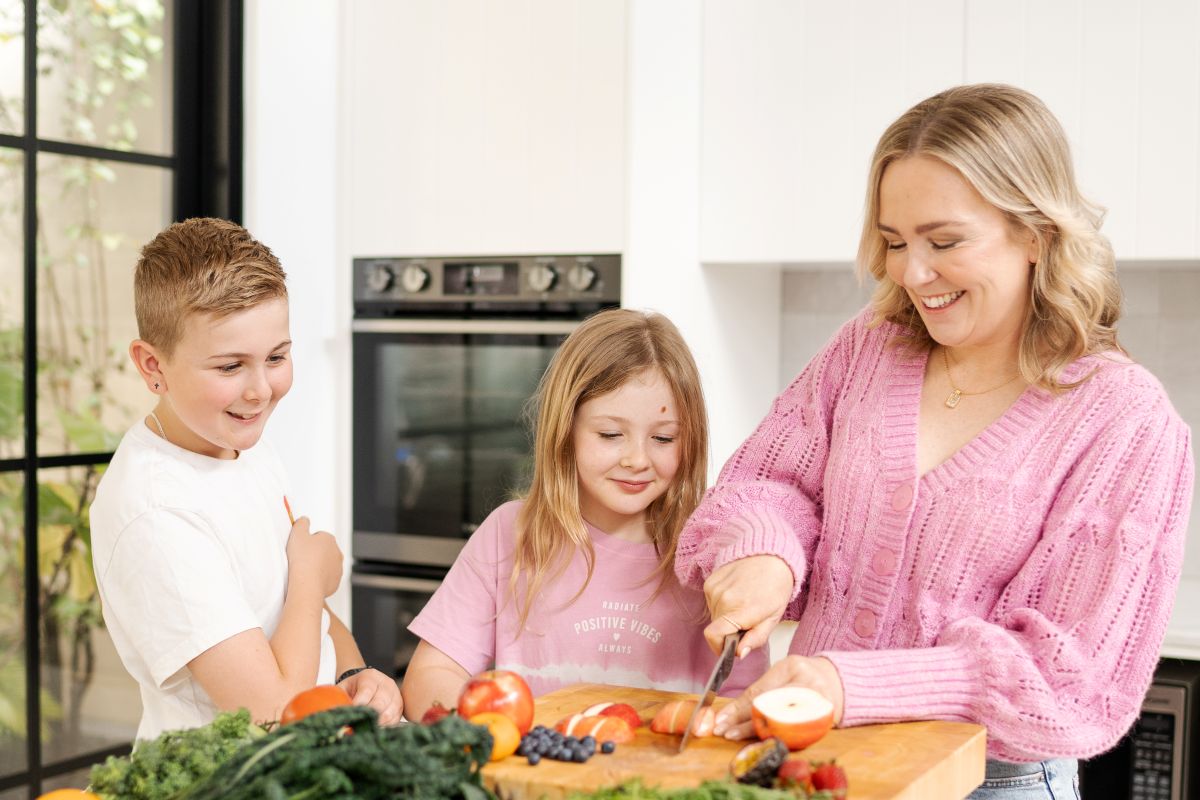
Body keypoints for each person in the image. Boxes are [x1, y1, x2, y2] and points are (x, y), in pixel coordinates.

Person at [675, 84, 1194, 797]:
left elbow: (1073, 674)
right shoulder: (867, 349)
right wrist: (765, 551)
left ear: (1036, 234)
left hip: (990, 781)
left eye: (944, 242)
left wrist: (852, 683)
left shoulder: (1124, 420)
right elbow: (773, 483)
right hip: (812, 762)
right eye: (893, 242)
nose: (909, 273)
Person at [90, 218, 402, 741]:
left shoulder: (240, 445)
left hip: (321, 754)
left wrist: (353, 673)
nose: (261, 390)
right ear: (152, 366)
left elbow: (295, 610)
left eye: (277, 357)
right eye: (230, 366)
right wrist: (311, 575)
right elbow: (273, 714)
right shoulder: (156, 513)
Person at [402, 308, 768, 720]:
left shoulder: (715, 554)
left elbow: (745, 701)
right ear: (566, 430)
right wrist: (490, 734)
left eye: (663, 438)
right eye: (611, 435)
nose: (637, 459)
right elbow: (431, 676)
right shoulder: (509, 534)